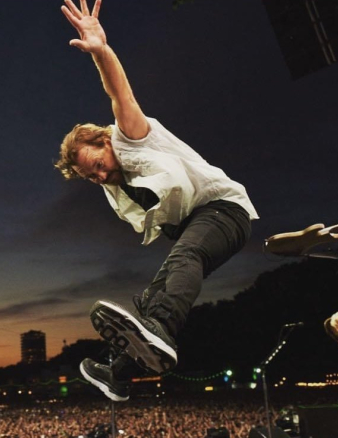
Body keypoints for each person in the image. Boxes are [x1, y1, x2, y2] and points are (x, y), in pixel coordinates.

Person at [55, 0, 258, 401]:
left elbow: (120, 93)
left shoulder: (130, 136)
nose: (99, 176)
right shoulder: (112, 183)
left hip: (224, 209)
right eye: (89, 177)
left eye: (97, 164)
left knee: (183, 263)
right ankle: (118, 373)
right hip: (200, 226)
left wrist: (100, 50)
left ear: (104, 140)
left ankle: (162, 327)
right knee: (149, 299)